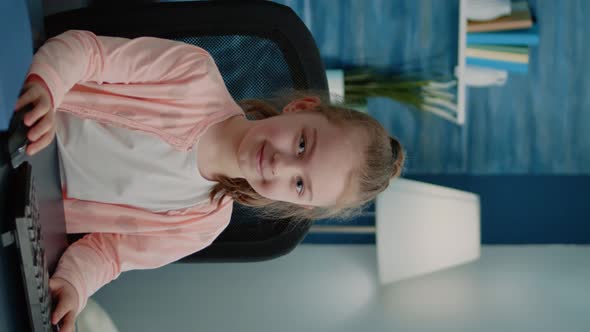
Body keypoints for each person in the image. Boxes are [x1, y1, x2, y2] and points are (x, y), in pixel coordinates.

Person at [14, 30, 404, 332]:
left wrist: (73, 285)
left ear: (299, 204)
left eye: (299, 184)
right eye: (302, 143)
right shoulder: (193, 74)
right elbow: (88, 53)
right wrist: (47, 88)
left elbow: (109, 254)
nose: (280, 165)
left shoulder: (201, 226)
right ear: (300, 108)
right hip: (18, 114)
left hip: (22, 198)